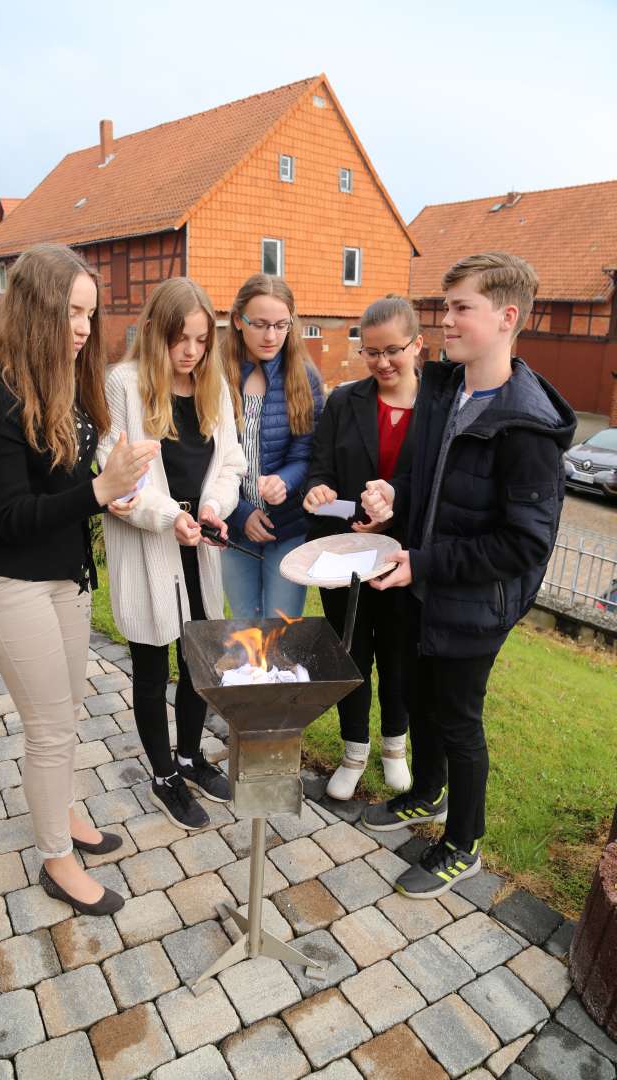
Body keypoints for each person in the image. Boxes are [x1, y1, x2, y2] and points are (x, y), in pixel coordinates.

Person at [360, 252, 576, 899]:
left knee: (458, 719)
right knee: (420, 702)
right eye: (443, 306)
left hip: (475, 606)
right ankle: (425, 795)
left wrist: (421, 562)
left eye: (460, 308)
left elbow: (523, 544)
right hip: (424, 590)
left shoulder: (527, 424)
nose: (444, 321)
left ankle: (463, 844)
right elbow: (426, 479)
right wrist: (391, 500)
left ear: (507, 317)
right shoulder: (448, 389)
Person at [0, 243, 158, 915]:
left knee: (68, 715)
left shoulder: (64, 378)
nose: (81, 328)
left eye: (88, 314)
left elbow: (68, 484)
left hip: (63, 576)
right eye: (70, 312)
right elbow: (12, 517)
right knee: (48, 728)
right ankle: (56, 860)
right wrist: (100, 491)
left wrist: (112, 493)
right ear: (36, 308)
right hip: (7, 582)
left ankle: (65, 812)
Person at [98, 277, 246, 831]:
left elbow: (230, 461)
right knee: (151, 663)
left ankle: (189, 755)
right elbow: (116, 479)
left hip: (198, 543)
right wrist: (168, 516)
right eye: (180, 339)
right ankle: (163, 773)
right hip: (150, 546)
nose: (191, 352)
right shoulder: (124, 384)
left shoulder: (214, 387)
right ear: (156, 332)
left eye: (202, 340)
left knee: (200, 659)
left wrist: (212, 507)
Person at [304, 296, 421, 799]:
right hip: (347, 556)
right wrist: (319, 489)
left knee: (399, 658)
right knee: (351, 655)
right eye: (371, 352)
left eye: (392, 350)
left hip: (405, 558)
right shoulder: (344, 401)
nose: (382, 363)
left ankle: (395, 747)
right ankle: (353, 751)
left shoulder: (438, 407)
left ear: (418, 344)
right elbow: (321, 466)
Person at [221, 274, 323, 619]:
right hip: (233, 529)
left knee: (282, 626)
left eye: (281, 325)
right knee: (245, 625)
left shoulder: (304, 376)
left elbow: (306, 453)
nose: (271, 336)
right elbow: (207, 458)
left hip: (288, 528)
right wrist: (241, 513)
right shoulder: (216, 376)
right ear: (238, 320)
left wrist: (285, 481)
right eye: (260, 324)